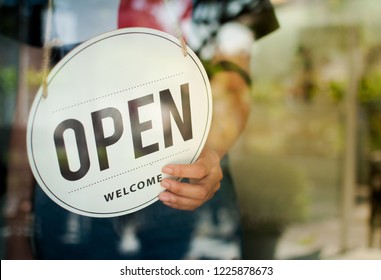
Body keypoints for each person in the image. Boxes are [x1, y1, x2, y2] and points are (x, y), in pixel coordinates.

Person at [1, 0, 278, 259]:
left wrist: (210, 153)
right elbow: (33, 98)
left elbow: (232, 79)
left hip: (186, 185)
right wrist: (17, 223)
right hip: (77, 193)